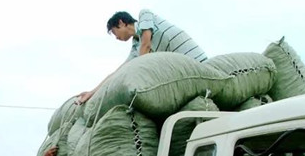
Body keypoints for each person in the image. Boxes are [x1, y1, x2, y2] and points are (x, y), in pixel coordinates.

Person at [76, 9, 207, 104]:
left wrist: (138, 72)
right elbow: (118, 72)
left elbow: (146, 43)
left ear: (121, 23)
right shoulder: (136, 48)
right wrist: (92, 92)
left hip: (200, 63)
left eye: (115, 32)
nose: (116, 38)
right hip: (187, 75)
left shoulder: (145, 15)